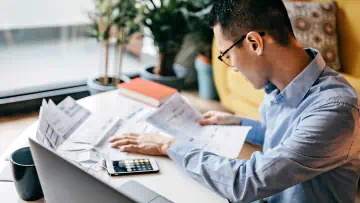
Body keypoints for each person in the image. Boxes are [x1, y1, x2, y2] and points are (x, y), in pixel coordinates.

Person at [108, 0, 360, 202]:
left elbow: (248, 182)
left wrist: (170, 146)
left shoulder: (335, 110)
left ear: (254, 42)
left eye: (227, 54)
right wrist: (236, 121)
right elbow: (284, 133)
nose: (234, 68)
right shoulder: (284, 85)